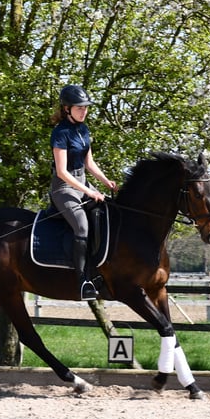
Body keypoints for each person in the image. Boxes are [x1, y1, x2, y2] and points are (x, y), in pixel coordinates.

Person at [50, 84, 117, 300]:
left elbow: (89, 163)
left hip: (82, 182)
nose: (84, 111)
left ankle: (102, 271)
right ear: (67, 108)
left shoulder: (84, 130)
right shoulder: (60, 133)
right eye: (79, 108)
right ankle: (82, 281)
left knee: (108, 214)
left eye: (86, 108)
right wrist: (89, 191)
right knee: (81, 226)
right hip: (64, 188)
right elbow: (61, 172)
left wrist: (106, 181)